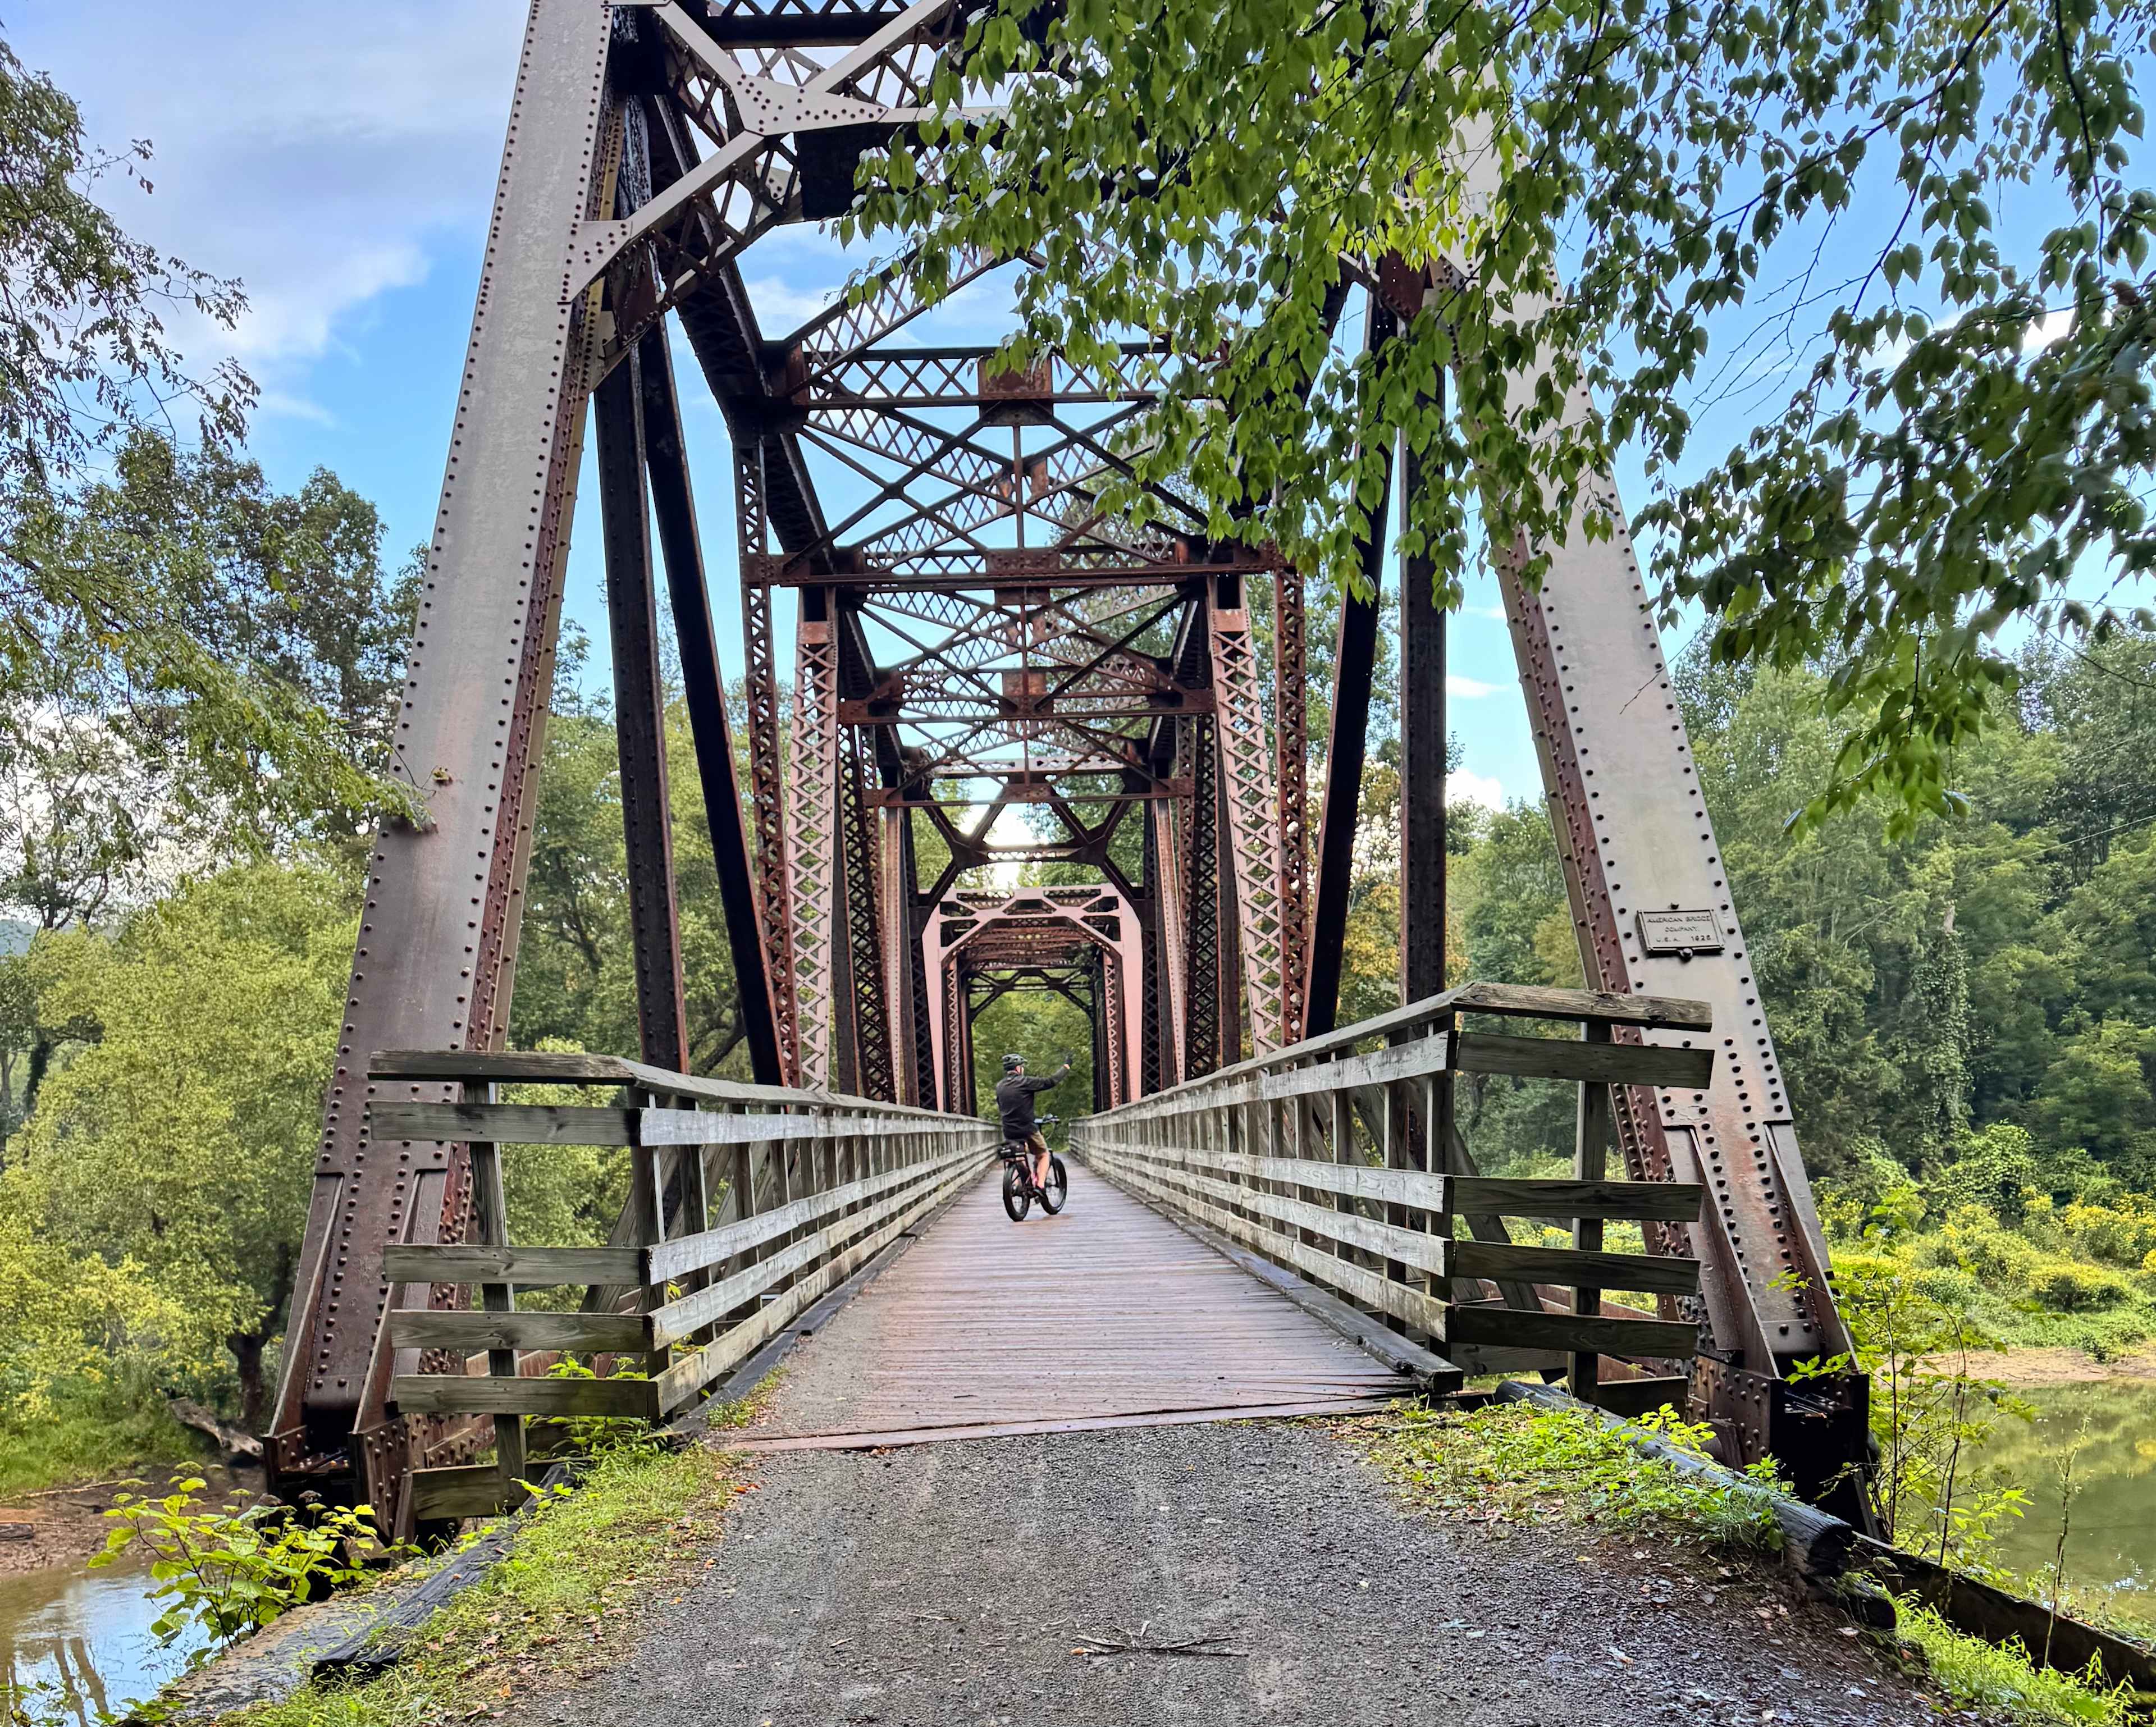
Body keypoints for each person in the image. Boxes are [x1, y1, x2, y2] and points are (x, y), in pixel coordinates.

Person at [994, 1052, 1069, 1199]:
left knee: (1018, 1156)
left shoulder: (1000, 1086)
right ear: (1018, 1068)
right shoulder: (1025, 1082)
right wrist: (1066, 1067)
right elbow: (1050, 1081)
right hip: (1027, 1128)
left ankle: (1020, 1183)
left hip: (1009, 1130)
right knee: (1043, 1154)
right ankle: (1040, 1186)